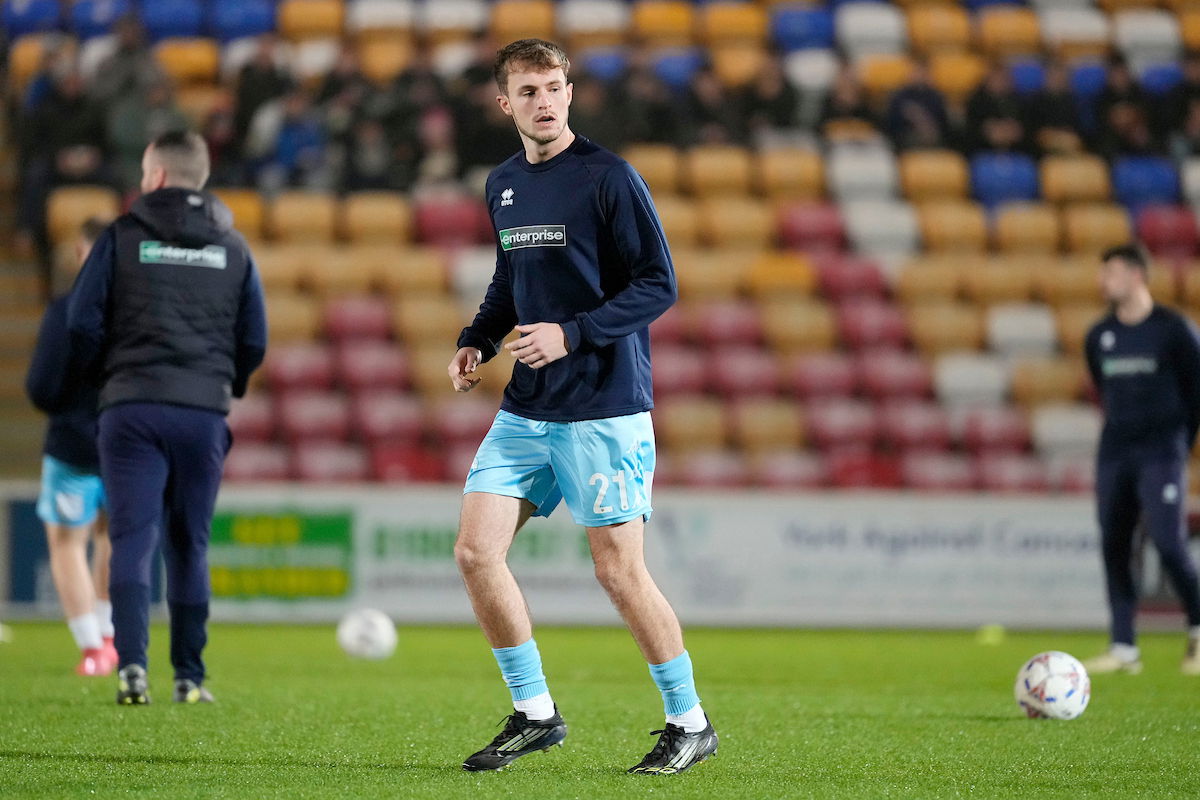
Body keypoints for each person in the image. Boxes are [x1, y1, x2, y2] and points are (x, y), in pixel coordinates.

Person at [446, 39, 717, 775]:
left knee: (618, 572)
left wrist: (572, 333)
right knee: (475, 552)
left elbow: (659, 284)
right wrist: (477, 339)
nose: (543, 101)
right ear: (504, 103)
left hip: (603, 405)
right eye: (527, 91)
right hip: (527, 407)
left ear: (569, 94)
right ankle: (535, 712)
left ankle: (689, 722)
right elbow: (511, 278)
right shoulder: (504, 183)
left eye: (553, 87)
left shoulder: (610, 177)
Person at [67, 131, 268, 705]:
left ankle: (132, 669)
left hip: (130, 408)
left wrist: (107, 378)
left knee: (131, 537)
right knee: (190, 544)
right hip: (202, 412)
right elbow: (254, 338)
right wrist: (224, 384)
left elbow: (80, 322)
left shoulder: (119, 237)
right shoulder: (233, 246)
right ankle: (189, 677)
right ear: (199, 176)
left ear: (154, 176)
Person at [1082, 244, 1200, 676]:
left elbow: (1196, 389)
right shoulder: (1100, 335)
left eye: (1110, 273)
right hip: (1115, 451)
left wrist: (1180, 444)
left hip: (1161, 451)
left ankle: (1198, 630)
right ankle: (1123, 647)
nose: (1102, 281)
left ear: (1136, 276)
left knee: (1168, 542)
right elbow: (1102, 387)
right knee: (1115, 543)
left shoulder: (1173, 330)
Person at [25, 217, 116, 677]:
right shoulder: (140, 312)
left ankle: (92, 649)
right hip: (126, 445)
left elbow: (41, 386)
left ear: (82, 251)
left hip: (73, 447)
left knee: (67, 542)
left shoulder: (66, 310)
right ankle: (112, 636)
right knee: (114, 537)